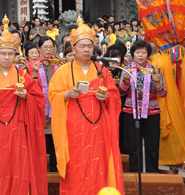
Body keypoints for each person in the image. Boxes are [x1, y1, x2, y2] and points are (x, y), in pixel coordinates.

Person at [0, 16, 47, 194]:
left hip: (18, 130)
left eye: (10, 53)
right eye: (3, 53)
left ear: (16, 54)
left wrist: (26, 96)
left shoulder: (23, 76)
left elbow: (39, 101)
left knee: (19, 169)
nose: (6, 57)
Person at [49, 17, 124, 195]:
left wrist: (105, 97)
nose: (86, 49)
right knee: (75, 168)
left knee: (97, 165)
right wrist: (66, 95)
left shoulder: (101, 70)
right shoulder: (63, 72)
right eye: (82, 46)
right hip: (72, 130)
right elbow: (53, 97)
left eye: (89, 46)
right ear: (73, 48)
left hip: (97, 129)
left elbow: (115, 97)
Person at [119, 40, 166, 172]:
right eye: (137, 52)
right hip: (131, 112)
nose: (140, 55)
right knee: (134, 147)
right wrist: (126, 80)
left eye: (143, 52)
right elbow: (121, 92)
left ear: (148, 54)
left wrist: (158, 84)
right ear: (133, 54)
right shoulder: (127, 70)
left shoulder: (155, 70)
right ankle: (135, 175)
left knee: (152, 146)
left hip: (152, 112)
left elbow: (163, 93)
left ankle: (152, 176)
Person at [28, 36, 63, 172]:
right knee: (41, 140)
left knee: (56, 140)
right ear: (39, 49)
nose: (48, 50)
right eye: (45, 47)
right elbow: (30, 87)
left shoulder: (59, 64)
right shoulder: (32, 65)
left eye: (51, 47)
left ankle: (55, 169)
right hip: (39, 109)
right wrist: (35, 73)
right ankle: (40, 170)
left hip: (56, 108)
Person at [148, 43, 185, 167]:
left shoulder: (156, 63)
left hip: (164, 101)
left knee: (169, 140)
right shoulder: (164, 58)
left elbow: (154, 79)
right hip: (174, 101)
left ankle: (170, 167)